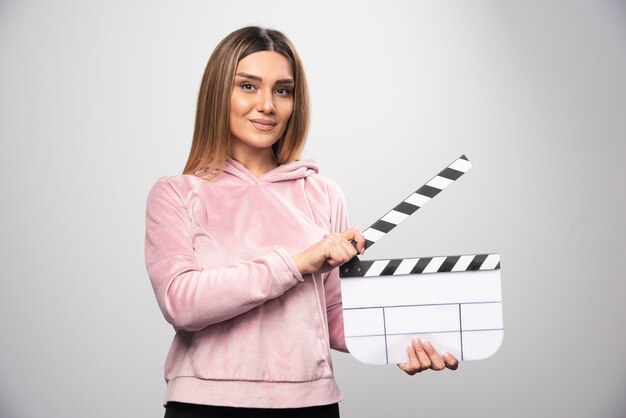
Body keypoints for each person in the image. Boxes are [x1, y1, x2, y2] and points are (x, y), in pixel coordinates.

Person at [145, 26, 458, 418]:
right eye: (248, 86)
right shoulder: (176, 193)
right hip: (206, 404)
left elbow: (330, 314)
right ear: (218, 93)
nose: (267, 105)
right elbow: (181, 302)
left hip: (310, 406)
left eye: (282, 90)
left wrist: (403, 342)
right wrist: (296, 263)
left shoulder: (323, 194)